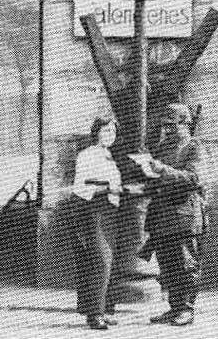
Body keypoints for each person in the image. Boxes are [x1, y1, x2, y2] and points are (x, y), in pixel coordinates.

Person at [139, 102, 208, 327]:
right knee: (167, 265)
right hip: (162, 216)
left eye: (172, 126)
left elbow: (193, 179)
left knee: (185, 265)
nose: (167, 130)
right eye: (165, 126)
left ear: (185, 123)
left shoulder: (193, 147)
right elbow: (157, 176)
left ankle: (187, 309)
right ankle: (174, 308)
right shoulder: (162, 147)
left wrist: (160, 170)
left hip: (184, 215)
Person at [70, 118, 122, 331]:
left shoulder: (110, 156)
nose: (110, 134)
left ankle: (102, 309)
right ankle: (95, 314)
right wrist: (109, 188)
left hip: (109, 211)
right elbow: (82, 186)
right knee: (100, 260)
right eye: (105, 130)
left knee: (107, 261)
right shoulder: (87, 154)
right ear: (96, 133)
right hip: (91, 210)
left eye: (113, 131)